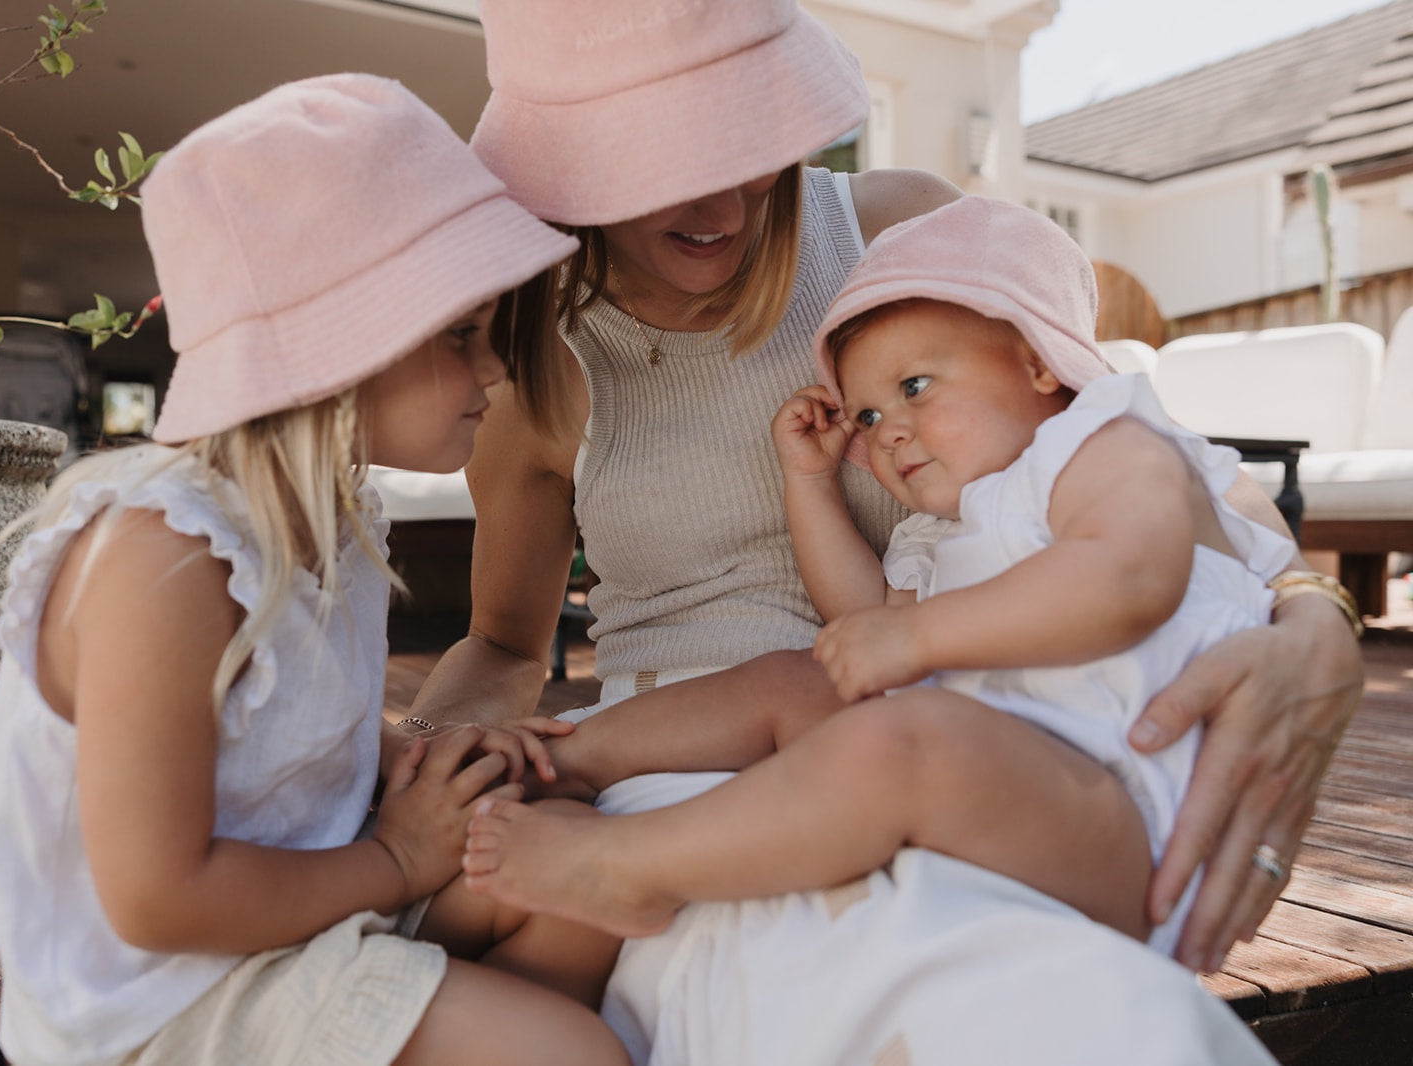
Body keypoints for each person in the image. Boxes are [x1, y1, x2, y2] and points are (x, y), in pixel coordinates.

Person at [411, 0, 1363, 986]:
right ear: (573, 164)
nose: (731, 209)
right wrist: (419, 766)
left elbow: (1131, 447)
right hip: (672, 765)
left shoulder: (899, 231)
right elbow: (505, 644)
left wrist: (1311, 613)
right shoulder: (537, 359)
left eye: (750, 144)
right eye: (668, 166)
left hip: (943, 747)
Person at [460, 196, 1306, 972]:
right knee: (798, 680)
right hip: (1005, 776)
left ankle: (627, 868)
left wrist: (922, 637)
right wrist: (810, 484)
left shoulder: (1106, 443)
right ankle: (564, 756)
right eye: (866, 416)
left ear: (1036, 360)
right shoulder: (951, 526)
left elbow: (1128, 580)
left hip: (1127, 815)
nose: (889, 432)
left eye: (914, 389)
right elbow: (862, 622)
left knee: (900, 747)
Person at [0, 75, 630, 1066]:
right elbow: (158, 897)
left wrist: (407, 762)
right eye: (460, 333)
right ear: (334, 354)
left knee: (584, 873)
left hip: (291, 917)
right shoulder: (163, 561)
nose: (497, 368)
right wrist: (399, 854)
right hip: (160, 1003)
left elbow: (272, 730)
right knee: (574, 1052)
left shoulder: (328, 518)